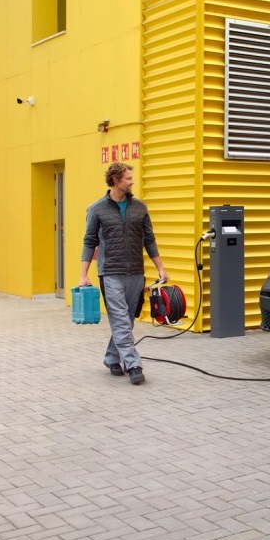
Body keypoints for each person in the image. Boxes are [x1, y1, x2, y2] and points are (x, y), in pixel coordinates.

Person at [79, 162, 168, 385]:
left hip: (136, 272)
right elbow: (89, 241)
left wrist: (160, 268)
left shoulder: (140, 208)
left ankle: (111, 357)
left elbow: (149, 239)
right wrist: (83, 274)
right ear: (116, 180)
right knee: (119, 319)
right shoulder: (96, 209)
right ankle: (133, 364)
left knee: (127, 320)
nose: (132, 182)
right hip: (110, 272)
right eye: (128, 178)